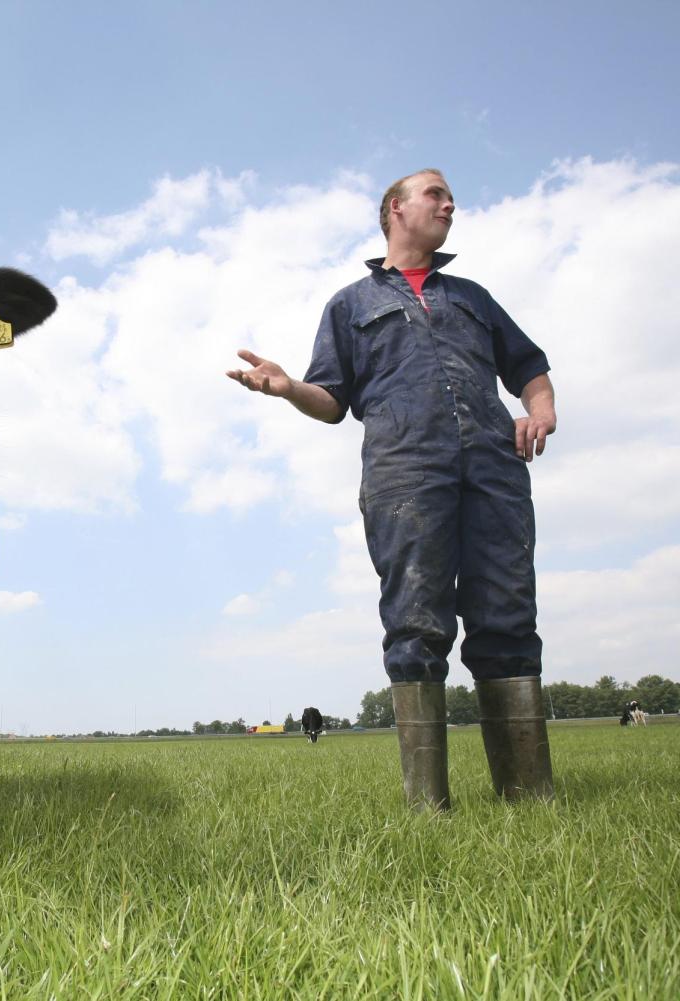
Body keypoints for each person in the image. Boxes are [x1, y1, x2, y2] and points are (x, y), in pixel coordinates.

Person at [227, 169, 556, 809]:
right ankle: (428, 808)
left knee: (508, 614)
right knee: (415, 620)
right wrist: (288, 386)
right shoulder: (350, 304)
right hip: (404, 470)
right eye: (435, 194)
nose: (450, 203)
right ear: (395, 210)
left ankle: (531, 800)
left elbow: (530, 367)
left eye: (450, 196)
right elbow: (332, 402)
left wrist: (539, 409)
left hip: (494, 463)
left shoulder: (473, 296)